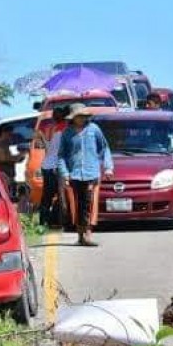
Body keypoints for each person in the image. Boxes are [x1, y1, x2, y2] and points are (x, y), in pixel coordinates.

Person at [57, 103, 114, 247]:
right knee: (77, 205)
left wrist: (108, 167)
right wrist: (64, 173)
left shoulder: (94, 130)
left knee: (89, 203)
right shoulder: (67, 133)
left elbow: (104, 148)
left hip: (91, 173)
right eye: (78, 116)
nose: (81, 119)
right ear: (73, 118)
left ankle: (88, 234)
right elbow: (61, 156)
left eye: (83, 116)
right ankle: (80, 235)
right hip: (74, 174)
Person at [36, 103, 70, 227]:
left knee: (49, 196)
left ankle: (46, 221)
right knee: (55, 195)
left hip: (50, 166)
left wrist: (43, 138)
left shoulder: (59, 129)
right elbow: (56, 150)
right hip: (53, 167)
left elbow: (50, 148)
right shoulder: (62, 130)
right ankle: (52, 221)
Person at [0, 125, 25, 196]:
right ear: (3, 133)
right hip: (2, 177)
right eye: (9, 134)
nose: (10, 136)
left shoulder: (6, 144)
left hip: (8, 177)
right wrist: (18, 157)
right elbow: (2, 158)